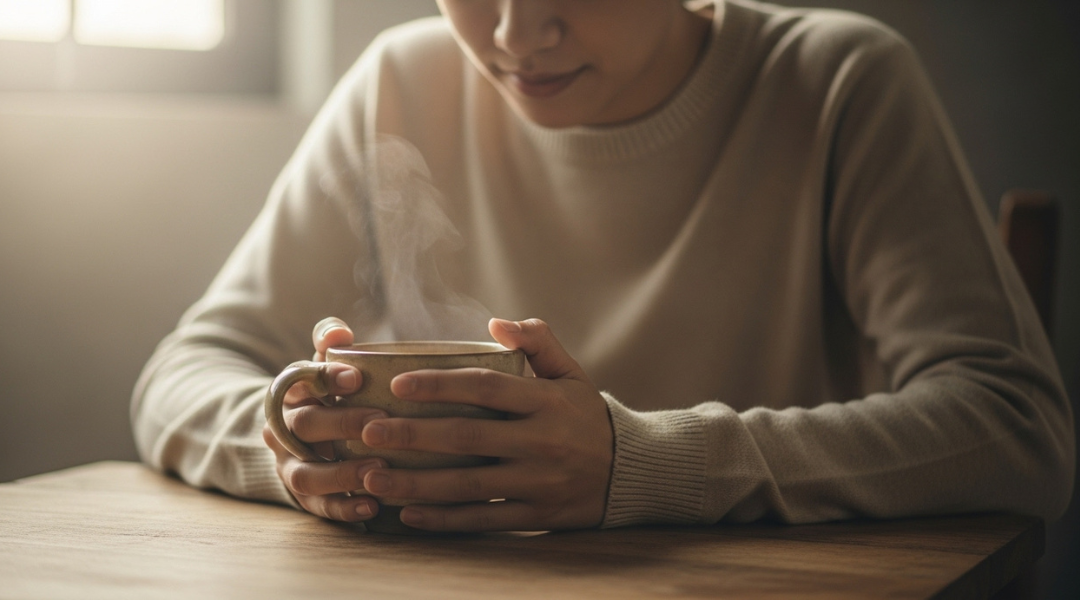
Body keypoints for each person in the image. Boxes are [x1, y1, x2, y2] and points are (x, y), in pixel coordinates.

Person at [132, 0, 1074, 532]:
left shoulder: (834, 83)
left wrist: (646, 464)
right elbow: (183, 371)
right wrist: (293, 451)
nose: (513, 35)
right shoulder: (401, 78)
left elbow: (1016, 426)